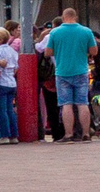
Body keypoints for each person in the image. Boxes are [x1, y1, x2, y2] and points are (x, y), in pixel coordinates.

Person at [41, 8, 97, 141]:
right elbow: (94, 51)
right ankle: (86, 134)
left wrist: (60, 51)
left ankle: (68, 134)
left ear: (63, 17)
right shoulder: (86, 31)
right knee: (82, 103)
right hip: (81, 71)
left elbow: (47, 52)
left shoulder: (55, 32)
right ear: (75, 17)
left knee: (66, 104)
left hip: (62, 72)